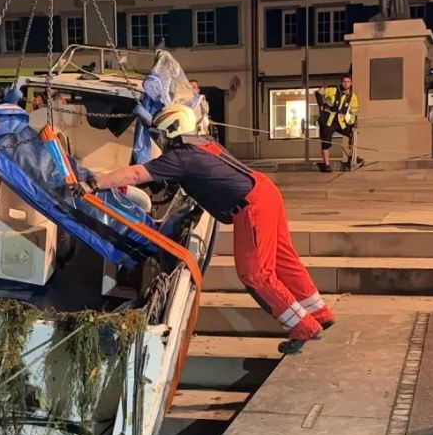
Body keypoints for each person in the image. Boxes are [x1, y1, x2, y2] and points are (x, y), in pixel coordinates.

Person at [82, 104, 335, 354]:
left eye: (159, 134)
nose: (158, 140)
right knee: (284, 260)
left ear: (171, 130)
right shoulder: (202, 143)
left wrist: (95, 183)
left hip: (250, 207)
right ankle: (319, 312)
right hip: (264, 191)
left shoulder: (181, 156)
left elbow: (137, 174)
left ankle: (302, 325)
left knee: (255, 274)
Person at [315, 75, 360, 172]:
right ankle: (327, 165)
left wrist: (353, 124)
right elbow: (318, 92)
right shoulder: (333, 90)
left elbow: (354, 112)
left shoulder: (353, 97)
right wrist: (321, 105)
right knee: (326, 142)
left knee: (353, 134)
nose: (346, 83)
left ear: (351, 83)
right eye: (344, 81)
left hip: (341, 121)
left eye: (348, 81)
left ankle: (352, 157)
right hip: (328, 121)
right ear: (341, 82)